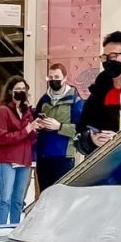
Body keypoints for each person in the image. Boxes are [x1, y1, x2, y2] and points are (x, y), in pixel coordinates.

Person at [0, 76, 39, 225]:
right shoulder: (3, 111)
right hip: (7, 160)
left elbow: (31, 138)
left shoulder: (27, 111)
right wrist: (25, 131)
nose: (21, 92)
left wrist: (34, 129)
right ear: (10, 91)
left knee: (18, 200)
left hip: (24, 161)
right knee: (4, 199)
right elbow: (2, 138)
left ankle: (14, 229)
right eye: (17, 89)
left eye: (23, 89)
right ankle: (0, 230)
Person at [35, 63, 81, 192]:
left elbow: (80, 129)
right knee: (45, 194)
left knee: (62, 195)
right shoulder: (44, 100)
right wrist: (38, 125)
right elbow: (35, 119)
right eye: (50, 77)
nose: (53, 80)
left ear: (65, 78)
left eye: (56, 77)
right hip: (43, 155)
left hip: (64, 156)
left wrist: (59, 126)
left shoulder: (75, 101)